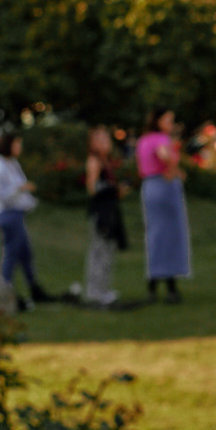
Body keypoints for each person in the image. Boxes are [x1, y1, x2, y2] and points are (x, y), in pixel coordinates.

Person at [0, 131, 50, 306]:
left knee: (25, 253)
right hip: (8, 214)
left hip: (17, 213)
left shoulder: (11, 163)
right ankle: (3, 291)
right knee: (11, 253)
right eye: (17, 144)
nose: (19, 148)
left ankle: (33, 287)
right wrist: (20, 188)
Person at [135, 105, 191, 300]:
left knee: (156, 235)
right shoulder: (161, 139)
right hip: (163, 188)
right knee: (169, 236)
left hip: (150, 188)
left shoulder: (143, 140)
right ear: (159, 122)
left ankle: (153, 285)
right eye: (168, 120)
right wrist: (172, 167)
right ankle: (170, 287)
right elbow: (164, 156)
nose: (171, 125)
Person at [82, 125, 128, 306]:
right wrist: (111, 190)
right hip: (101, 213)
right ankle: (94, 292)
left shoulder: (106, 162)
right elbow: (92, 188)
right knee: (98, 252)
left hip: (110, 211)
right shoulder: (94, 162)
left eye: (106, 139)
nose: (105, 143)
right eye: (100, 140)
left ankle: (104, 289)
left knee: (108, 251)